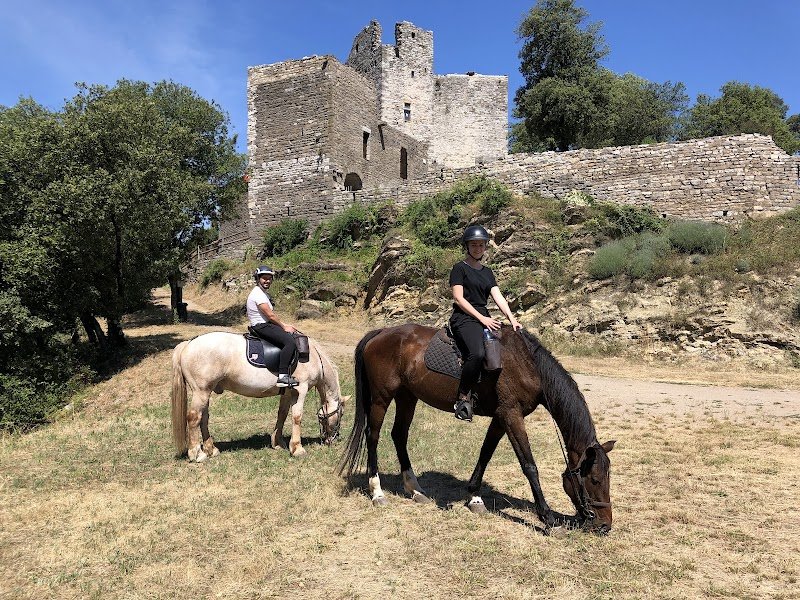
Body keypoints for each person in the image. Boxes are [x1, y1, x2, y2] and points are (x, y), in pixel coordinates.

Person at [449, 225, 522, 421]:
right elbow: (459, 298)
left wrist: (512, 320)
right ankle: (463, 397)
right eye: (473, 245)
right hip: (464, 317)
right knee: (477, 353)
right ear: (467, 246)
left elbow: (498, 298)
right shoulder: (459, 268)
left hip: (484, 316)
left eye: (481, 245)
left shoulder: (488, 272)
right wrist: (482, 319)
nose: (477, 248)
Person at [247, 265, 299, 387]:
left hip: (264, 324)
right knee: (290, 342)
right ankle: (283, 376)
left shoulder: (262, 293)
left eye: (269, 278)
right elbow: (270, 315)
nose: (267, 281)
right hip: (262, 326)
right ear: (258, 279)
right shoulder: (258, 294)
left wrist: (284, 325)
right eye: (264, 278)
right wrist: (284, 327)